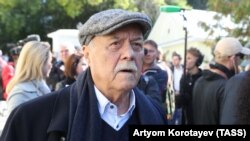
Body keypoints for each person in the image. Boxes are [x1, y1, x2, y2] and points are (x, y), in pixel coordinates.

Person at [1, 9, 167, 141]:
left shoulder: (156, 115)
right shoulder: (31, 119)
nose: (129, 54)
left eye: (137, 44)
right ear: (87, 54)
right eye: (115, 44)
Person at [192, 37, 250, 124]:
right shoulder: (228, 86)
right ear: (233, 59)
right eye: (240, 56)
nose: (240, 61)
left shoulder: (199, 81)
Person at [6, 41, 53, 113]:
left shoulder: (41, 87)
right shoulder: (19, 95)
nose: (51, 65)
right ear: (39, 63)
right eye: (49, 61)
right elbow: (15, 124)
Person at [176, 47, 203, 124]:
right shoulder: (184, 77)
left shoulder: (202, 78)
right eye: (185, 58)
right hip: (185, 118)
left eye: (189, 58)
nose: (185, 61)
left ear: (197, 60)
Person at [142, 39, 168, 103]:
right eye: (145, 51)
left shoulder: (161, 74)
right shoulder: (135, 70)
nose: (148, 54)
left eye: (151, 51)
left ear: (156, 53)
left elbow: (154, 96)